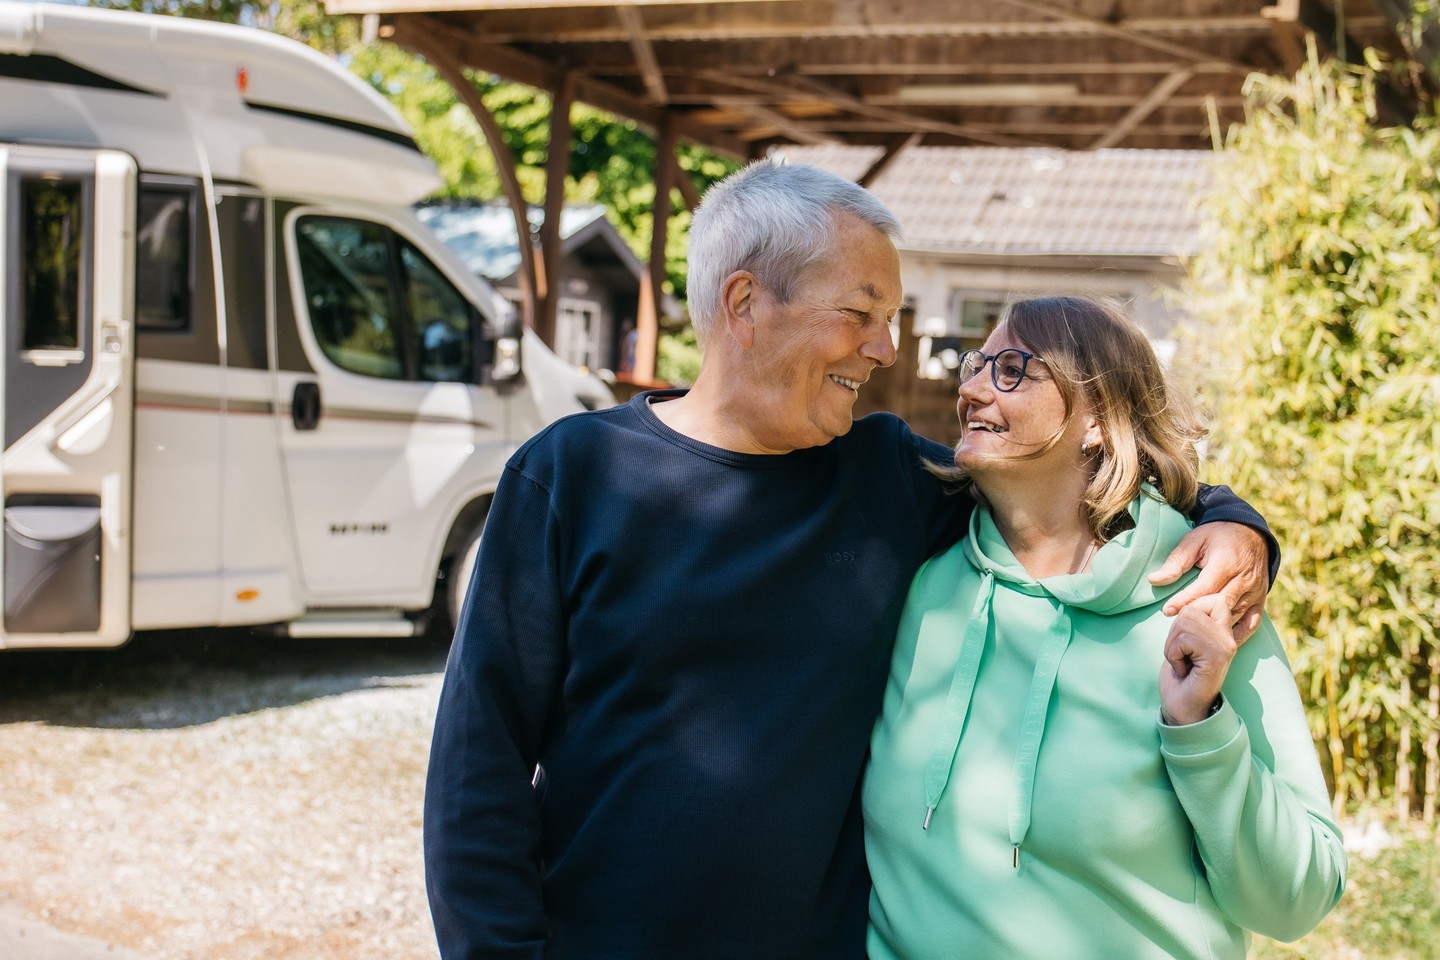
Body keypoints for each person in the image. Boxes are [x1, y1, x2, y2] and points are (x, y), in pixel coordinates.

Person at [423, 161, 1279, 959]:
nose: (887, 349)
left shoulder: (885, 478)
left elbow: (1077, 473)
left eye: (892, 320)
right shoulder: (572, 474)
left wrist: (1235, 522)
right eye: (861, 314)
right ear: (745, 302)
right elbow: (478, 771)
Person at [863, 296, 1345, 960]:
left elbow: (1299, 900)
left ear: (1096, 416)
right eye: (976, 365)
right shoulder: (922, 581)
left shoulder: (1207, 607)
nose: (970, 388)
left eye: (1011, 369)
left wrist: (1201, 731)